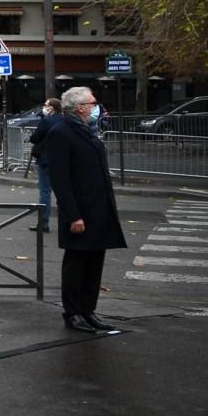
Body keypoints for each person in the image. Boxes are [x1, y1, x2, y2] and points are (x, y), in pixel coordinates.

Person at [46, 87, 126, 333]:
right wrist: (73, 215)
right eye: (93, 103)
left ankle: (88, 310)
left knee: (94, 262)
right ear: (80, 107)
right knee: (77, 263)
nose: (96, 107)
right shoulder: (61, 132)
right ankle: (73, 313)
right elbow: (60, 179)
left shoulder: (89, 130)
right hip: (80, 211)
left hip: (99, 208)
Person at [28, 98, 62, 233]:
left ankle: (43, 223)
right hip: (61, 160)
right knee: (63, 191)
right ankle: (69, 220)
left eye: (46, 105)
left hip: (46, 160)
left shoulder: (47, 121)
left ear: (52, 108)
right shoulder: (64, 120)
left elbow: (34, 138)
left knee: (45, 192)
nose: (44, 107)